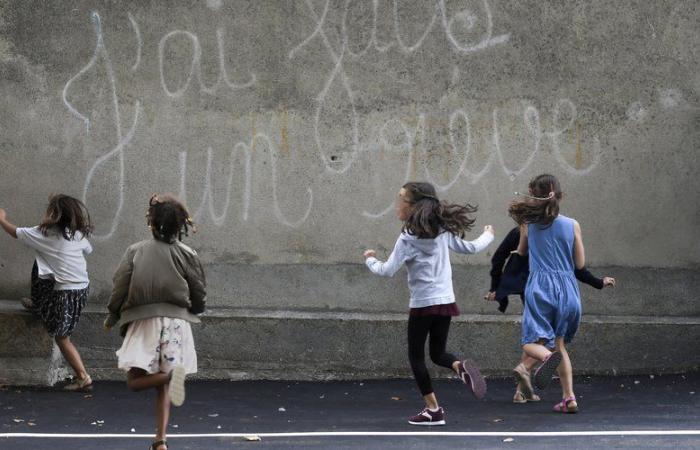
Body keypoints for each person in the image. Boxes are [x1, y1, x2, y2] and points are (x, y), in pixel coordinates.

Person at [363, 182, 494, 426]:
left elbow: (387, 271)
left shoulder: (407, 238)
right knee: (438, 353)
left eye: (401, 198)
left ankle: (433, 409)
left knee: (416, 357)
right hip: (445, 302)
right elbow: (472, 248)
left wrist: (370, 260)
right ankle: (458, 366)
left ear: (414, 206)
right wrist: (489, 234)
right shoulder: (442, 231)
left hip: (423, 304)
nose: (397, 203)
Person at [105, 194, 206, 450]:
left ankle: (171, 377)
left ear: (151, 223)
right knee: (163, 382)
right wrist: (195, 309)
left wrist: (113, 315)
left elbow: (120, 286)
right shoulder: (187, 254)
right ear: (180, 226)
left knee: (135, 381)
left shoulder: (135, 251)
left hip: (145, 322)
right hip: (176, 323)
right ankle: (160, 441)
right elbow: (198, 288)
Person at [485, 226, 615, 403]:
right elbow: (576, 266)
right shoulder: (553, 230)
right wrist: (598, 282)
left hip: (531, 289)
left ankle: (522, 390)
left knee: (538, 339)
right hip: (550, 289)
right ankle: (548, 385)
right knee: (552, 342)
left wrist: (496, 287)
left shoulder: (523, 230)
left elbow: (500, 257)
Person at [0, 195, 94, 392]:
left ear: (53, 214)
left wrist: (2, 218)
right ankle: (40, 304)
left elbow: (14, 232)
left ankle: (83, 377)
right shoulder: (77, 234)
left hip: (65, 292)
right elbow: (88, 251)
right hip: (82, 289)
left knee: (62, 337)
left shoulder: (43, 234)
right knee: (42, 263)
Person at [508, 174, 584, 413]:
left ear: (533, 195)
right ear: (559, 194)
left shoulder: (528, 224)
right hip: (568, 289)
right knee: (559, 344)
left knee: (532, 342)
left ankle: (545, 358)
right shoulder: (572, 224)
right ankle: (569, 398)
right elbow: (580, 263)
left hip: (541, 286)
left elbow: (521, 251)